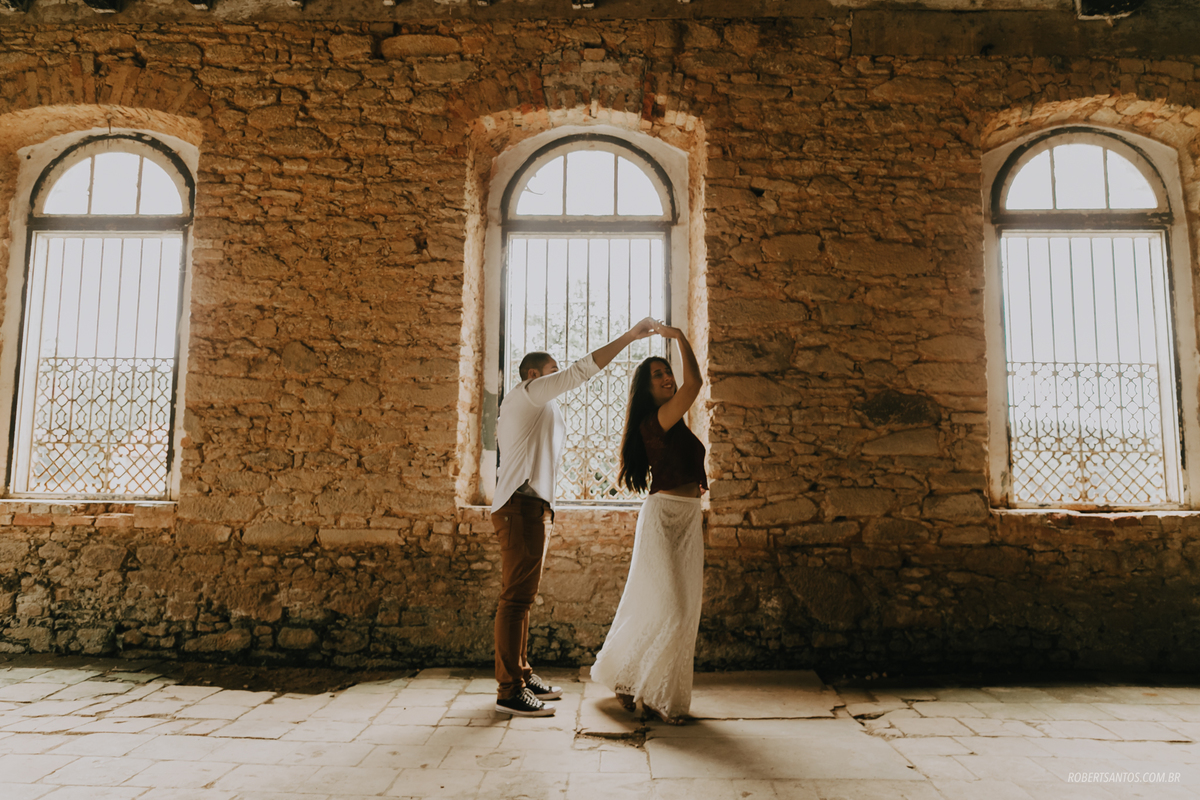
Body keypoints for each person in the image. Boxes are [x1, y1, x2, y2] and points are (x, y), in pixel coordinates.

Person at [491, 316, 657, 718]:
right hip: (519, 507)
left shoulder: (539, 406)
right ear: (534, 374)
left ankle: (521, 674)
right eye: (553, 369)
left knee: (523, 598)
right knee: (514, 599)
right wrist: (630, 336)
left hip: (531, 507)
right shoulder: (529, 393)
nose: (559, 374)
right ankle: (509, 691)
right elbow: (581, 371)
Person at [591, 321, 705, 725]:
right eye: (658, 375)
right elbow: (696, 384)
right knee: (672, 609)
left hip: (688, 520)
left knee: (681, 610)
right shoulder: (656, 420)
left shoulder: (673, 422)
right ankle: (655, 695)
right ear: (646, 388)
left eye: (667, 371)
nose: (668, 378)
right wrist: (679, 338)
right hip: (664, 519)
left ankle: (627, 679)